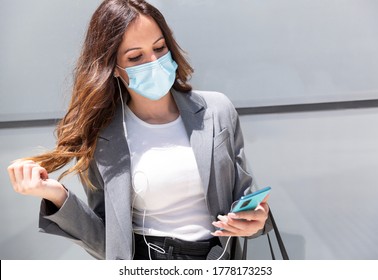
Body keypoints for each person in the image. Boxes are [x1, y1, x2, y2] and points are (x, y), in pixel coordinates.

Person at [7, 0, 272, 260]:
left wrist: (256, 219)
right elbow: (108, 243)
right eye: (135, 57)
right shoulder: (103, 135)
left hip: (218, 259)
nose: (154, 61)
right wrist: (56, 195)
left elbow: (246, 197)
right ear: (111, 68)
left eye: (159, 47)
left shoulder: (217, 110)